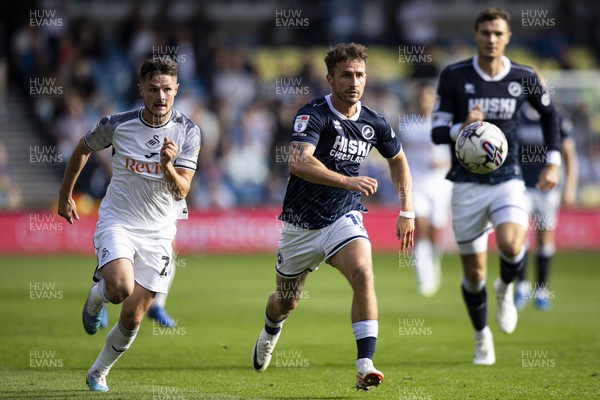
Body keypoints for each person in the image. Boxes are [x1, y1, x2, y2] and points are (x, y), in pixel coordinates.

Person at [251, 42, 415, 390]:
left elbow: (398, 160)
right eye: (345, 75)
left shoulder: (375, 121)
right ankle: (270, 329)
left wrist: (407, 210)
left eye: (359, 75)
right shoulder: (313, 114)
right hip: (299, 225)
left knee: (363, 272)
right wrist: (347, 180)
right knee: (286, 301)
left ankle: (364, 364)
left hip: (343, 216)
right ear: (330, 79)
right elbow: (298, 161)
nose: (353, 82)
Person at [57, 57, 200, 391]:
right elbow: (82, 148)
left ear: (176, 89)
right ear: (141, 90)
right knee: (120, 288)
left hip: (160, 232)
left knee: (134, 316)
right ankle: (96, 297)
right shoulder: (117, 124)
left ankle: (98, 372)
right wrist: (66, 194)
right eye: (153, 89)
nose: (160, 96)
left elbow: (182, 190)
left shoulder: (188, 132)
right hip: (119, 220)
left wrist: (167, 165)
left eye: (167, 89)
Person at [431, 8, 561, 365]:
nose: (491, 39)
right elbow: (436, 131)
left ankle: (506, 289)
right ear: (476, 35)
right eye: (485, 32)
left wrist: (554, 160)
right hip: (466, 184)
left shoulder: (524, 75)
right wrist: (463, 126)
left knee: (510, 242)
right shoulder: (454, 76)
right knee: (474, 275)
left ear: (507, 37)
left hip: (509, 179)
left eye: (498, 33)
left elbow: (551, 115)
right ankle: (481, 337)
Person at [515, 103, 578, 311]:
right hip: (520, 186)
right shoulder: (516, 115)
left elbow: (569, 153)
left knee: (544, 237)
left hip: (547, 188)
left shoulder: (556, 118)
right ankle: (521, 288)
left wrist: (570, 186)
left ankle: (541, 290)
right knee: (519, 236)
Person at [398, 83, 452, 297]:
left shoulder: (444, 126)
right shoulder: (407, 126)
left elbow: (459, 155)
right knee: (420, 228)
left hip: (440, 185)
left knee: (435, 233)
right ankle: (424, 278)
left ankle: (433, 263)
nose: (424, 101)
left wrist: (445, 163)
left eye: (428, 98)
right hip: (416, 184)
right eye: (421, 98)